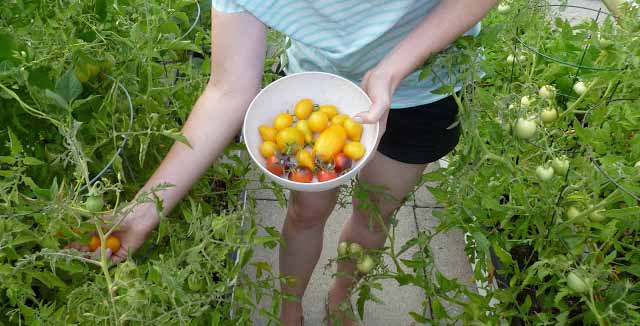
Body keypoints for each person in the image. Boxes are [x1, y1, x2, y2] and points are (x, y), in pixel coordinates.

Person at [99, 1, 496, 325]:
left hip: (424, 87)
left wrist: (391, 69)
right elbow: (227, 90)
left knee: (376, 214)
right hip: (318, 83)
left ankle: (340, 300)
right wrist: (143, 211)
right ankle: (290, 305)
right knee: (305, 212)